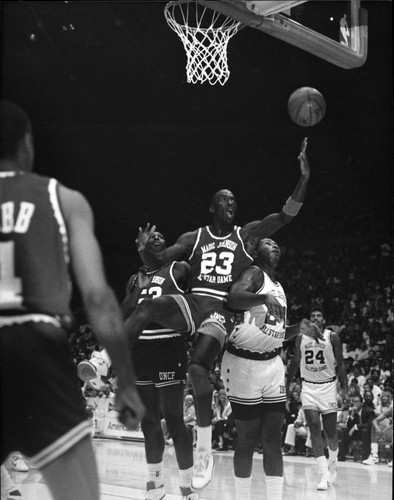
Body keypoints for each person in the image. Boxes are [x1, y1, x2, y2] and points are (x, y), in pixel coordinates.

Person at [132, 138, 312, 490]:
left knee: (198, 367)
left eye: (234, 200)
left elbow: (284, 216)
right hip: (193, 305)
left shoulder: (246, 235)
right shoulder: (193, 237)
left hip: (222, 312)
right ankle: (106, 356)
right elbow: (159, 262)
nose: (232, 203)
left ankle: (203, 447)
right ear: (212, 206)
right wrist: (144, 251)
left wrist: (303, 178)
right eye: (226, 200)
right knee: (150, 308)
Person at [0, 100, 144, 500]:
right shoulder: (63, 199)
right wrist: (127, 385)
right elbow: (98, 299)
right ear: (26, 144)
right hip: (36, 349)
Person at [79, 230, 198, 500]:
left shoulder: (179, 269)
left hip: (168, 345)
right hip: (140, 349)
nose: (157, 238)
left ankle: (187, 488)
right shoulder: (136, 278)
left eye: (160, 237)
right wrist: (136, 293)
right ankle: (154, 486)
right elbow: (123, 313)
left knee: (175, 419)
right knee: (149, 422)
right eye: (152, 237)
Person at [220, 237, 321, 500]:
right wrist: (262, 296)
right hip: (243, 364)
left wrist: (299, 328)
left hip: (273, 364)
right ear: (256, 251)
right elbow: (232, 298)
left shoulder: (278, 287)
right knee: (247, 438)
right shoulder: (254, 274)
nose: (275, 245)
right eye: (268, 242)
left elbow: (276, 332)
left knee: (273, 439)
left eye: (277, 243)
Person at [286, 306, 348, 490]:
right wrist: (288, 383)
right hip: (308, 387)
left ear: (324, 320)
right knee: (314, 427)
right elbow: (295, 362)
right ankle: (324, 474)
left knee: (330, 433)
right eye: (312, 316)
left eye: (319, 315)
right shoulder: (300, 338)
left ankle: (333, 465)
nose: (315, 318)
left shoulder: (332, 337)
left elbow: (341, 363)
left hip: (328, 386)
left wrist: (344, 388)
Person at [338, 394, 375, 463]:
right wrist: (351, 415)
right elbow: (349, 426)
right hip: (355, 433)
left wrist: (356, 426)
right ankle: (341, 456)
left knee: (365, 431)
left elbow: (369, 425)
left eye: (357, 401)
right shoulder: (352, 411)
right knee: (346, 430)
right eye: (354, 401)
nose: (355, 403)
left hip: (367, 434)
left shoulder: (369, 411)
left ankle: (365, 457)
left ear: (361, 402)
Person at [362, 393, 393, 466]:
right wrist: (378, 428)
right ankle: (374, 456)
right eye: (383, 397)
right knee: (374, 426)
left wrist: (387, 428)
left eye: (386, 397)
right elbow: (375, 421)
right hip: (387, 432)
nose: (385, 398)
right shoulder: (391, 409)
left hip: (390, 430)